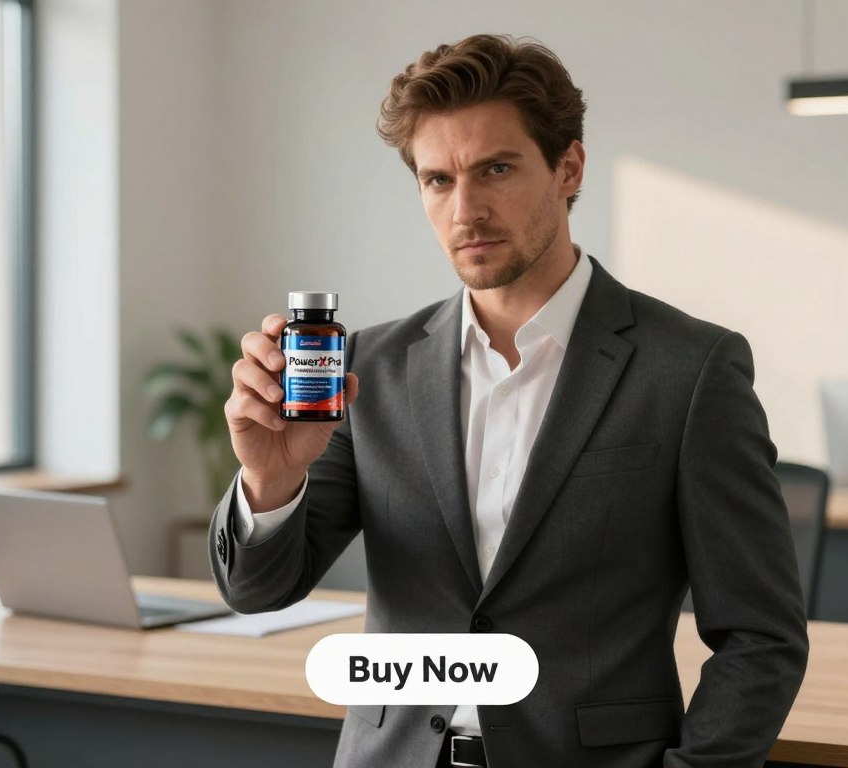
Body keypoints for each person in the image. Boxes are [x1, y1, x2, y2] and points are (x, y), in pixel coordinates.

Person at [211, 33, 808, 768]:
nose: (466, 210)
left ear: (569, 168)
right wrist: (271, 480)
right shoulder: (372, 367)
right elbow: (257, 590)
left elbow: (762, 637)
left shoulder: (689, 371)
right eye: (437, 180)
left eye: (495, 169)